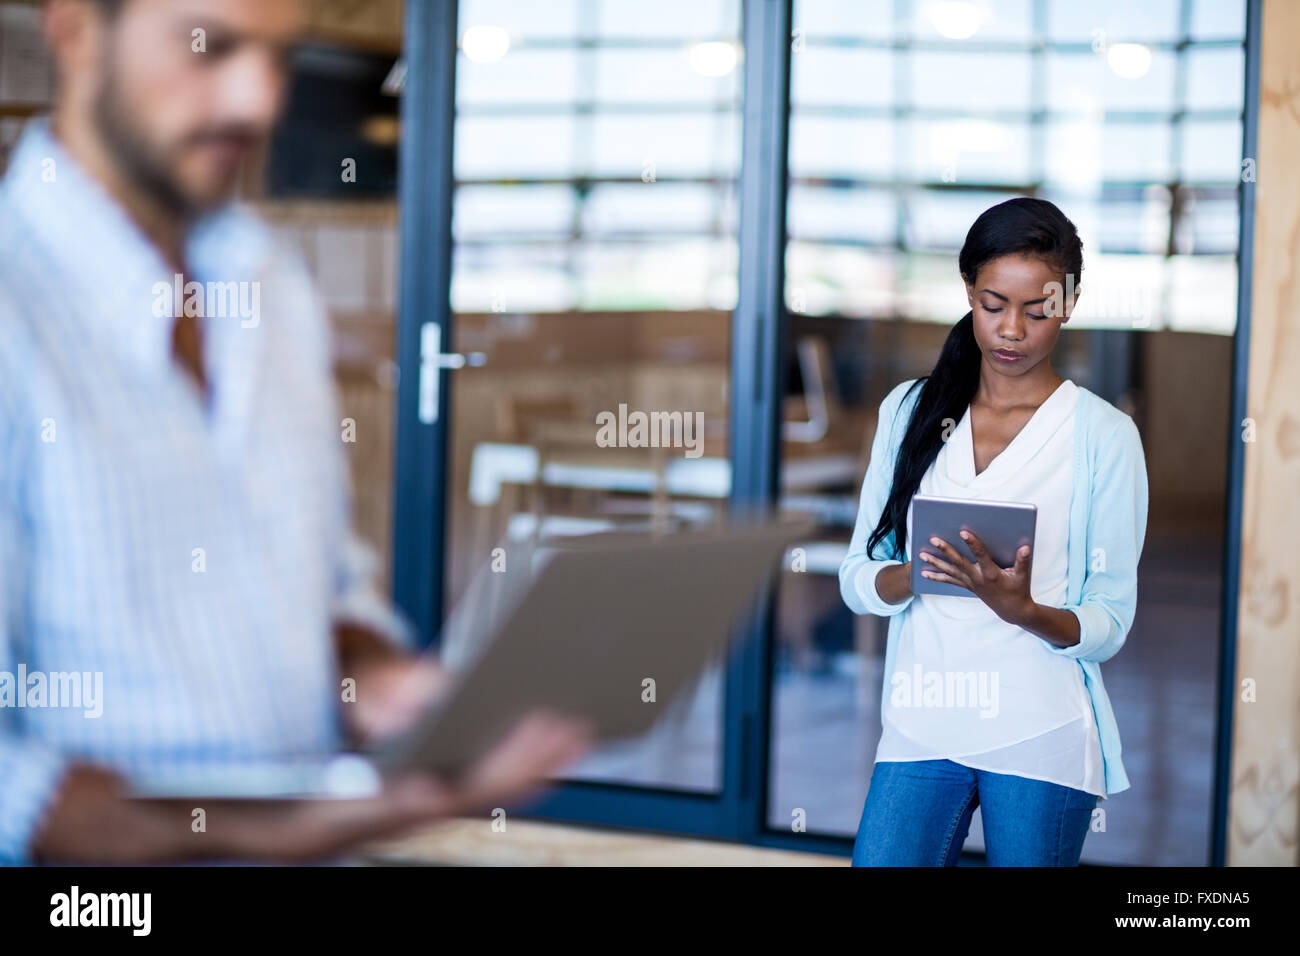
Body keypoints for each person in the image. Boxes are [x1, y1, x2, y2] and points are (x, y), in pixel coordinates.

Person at [0, 0, 591, 865]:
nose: (257, 99)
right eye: (211, 47)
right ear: (77, 31)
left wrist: (372, 680)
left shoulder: (268, 285)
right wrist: (301, 826)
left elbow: (323, 589)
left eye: (280, 56)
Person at [839, 197, 1149, 866]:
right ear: (968, 296)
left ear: (1067, 305)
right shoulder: (910, 411)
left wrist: (1026, 611)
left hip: (1041, 729)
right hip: (921, 726)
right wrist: (916, 572)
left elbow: (1110, 619)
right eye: (991, 304)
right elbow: (859, 578)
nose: (1011, 330)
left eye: (1036, 311)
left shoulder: (1103, 437)